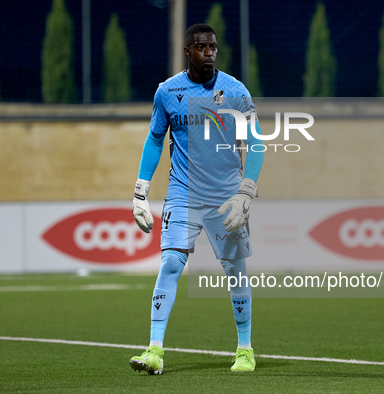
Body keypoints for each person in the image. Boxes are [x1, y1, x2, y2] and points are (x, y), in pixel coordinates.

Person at [129, 23, 264, 375]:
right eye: (202, 47)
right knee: (171, 264)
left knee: (235, 271)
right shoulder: (167, 92)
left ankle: (245, 349)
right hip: (183, 193)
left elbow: (257, 142)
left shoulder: (235, 91)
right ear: (187, 51)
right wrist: (140, 191)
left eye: (214, 47)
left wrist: (247, 190)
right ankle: (154, 349)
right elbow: (155, 139)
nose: (210, 53)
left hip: (226, 197)